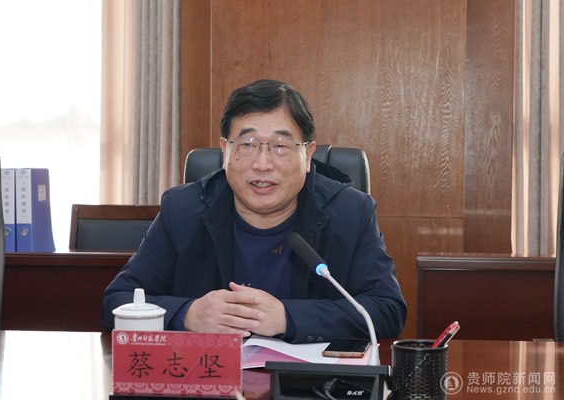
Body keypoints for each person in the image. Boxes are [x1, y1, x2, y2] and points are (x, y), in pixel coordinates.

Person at [101, 79, 407, 343]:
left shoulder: (351, 213)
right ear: (225, 151)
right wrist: (189, 314)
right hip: (209, 378)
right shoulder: (182, 210)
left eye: (280, 146)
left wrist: (287, 317)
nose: (262, 164)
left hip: (309, 384)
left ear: (308, 155)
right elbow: (116, 301)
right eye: (247, 145)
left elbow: (387, 309)